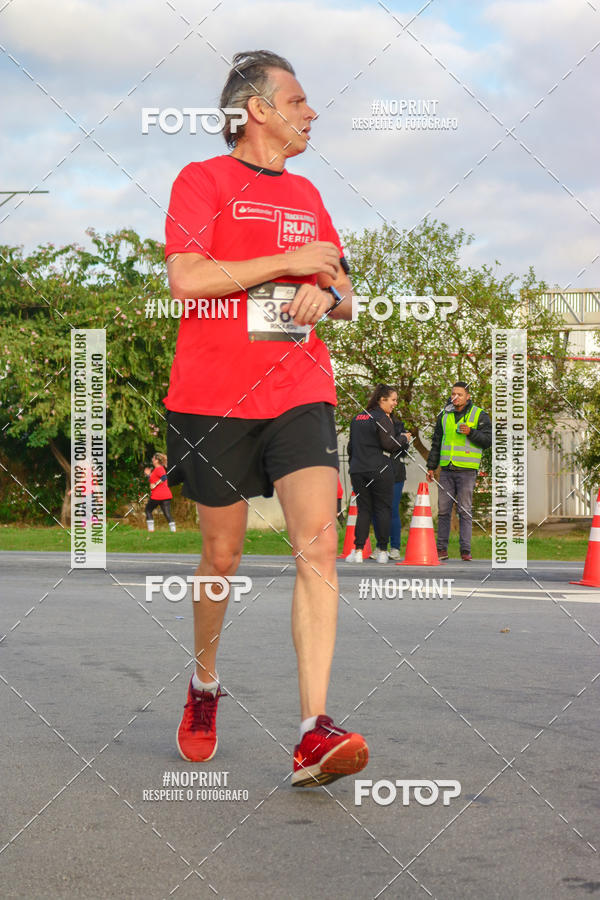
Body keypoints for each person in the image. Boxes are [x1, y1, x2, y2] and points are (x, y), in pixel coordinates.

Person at [163, 50, 368, 787]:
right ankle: (205, 682)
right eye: (299, 99)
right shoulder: (201, 180)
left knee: (319, 543)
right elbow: (186, 278)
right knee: (222, 556)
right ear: (257, 109)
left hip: (299, 387)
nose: (312, 112)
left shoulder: (310, 193)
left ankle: (314, 731)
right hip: (212, 396)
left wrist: (325, 295)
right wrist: (287, 262)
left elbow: (344, 294)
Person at [426, 382, 492, 561]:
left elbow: (488, 440)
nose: (455, 397)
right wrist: (431, 466)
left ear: (468, 396)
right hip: (446, 470)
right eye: (453, 394)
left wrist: (471, 432)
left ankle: (465, 550)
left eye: (460, 394)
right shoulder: (444, 415)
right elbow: (436, 442)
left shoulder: (479, 414)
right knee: (443, 511)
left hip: (467, 471)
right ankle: (441, 549)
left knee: (465, 510)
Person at [346, 384, 407, 565]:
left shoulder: (357, 418)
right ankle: (382, 551)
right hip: (379, 469)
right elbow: (390, 444)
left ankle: (358, 551)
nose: (395, 403)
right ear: (382, 399)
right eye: (393, 400)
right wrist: (404, 438)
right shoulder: (382, 418)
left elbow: (350, 447)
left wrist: (354, 464)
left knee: (364, 510)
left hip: (358, 470)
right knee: (382, 509)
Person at [372, 412, 411, 560]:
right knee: (376, 510)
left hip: (395, 473)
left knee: (392, 509)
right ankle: (380, 546)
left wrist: (399, 441)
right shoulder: (371, 424)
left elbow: (403, 450)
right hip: (375, 472)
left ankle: (395, 548)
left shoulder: (399, 425)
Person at [144, 453, 176, 532]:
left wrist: (155, 484)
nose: (152, 459)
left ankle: (151, 530)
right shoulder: (157, 469)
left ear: (156, 461)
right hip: (166, 495)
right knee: (167, 513)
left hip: (157, 495)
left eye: (153, 458)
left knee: (148, 510)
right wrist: (148, 475)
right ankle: (173, 531)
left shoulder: (159, 469)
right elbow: (153, 480)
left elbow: (164, 477)